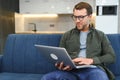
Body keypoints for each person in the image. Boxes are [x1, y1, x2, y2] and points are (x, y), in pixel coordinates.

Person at [41, 2, 116, 80]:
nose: (77, 21)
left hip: (93, 70)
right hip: (71, 71)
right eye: (75, 17)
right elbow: (61, 57)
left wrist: (91, 60)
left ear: (89, 16)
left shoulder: (100, 35)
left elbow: (111, 57)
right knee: (46, 78)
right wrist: (62, 65)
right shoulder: (67, 35)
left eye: (81, 17)